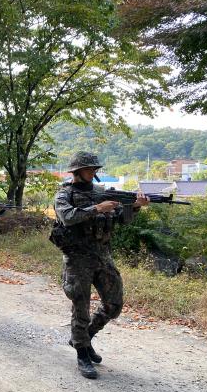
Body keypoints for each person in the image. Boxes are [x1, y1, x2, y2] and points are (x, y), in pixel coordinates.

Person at [52, 152, 148, 379]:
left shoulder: (101, 193)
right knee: (81, 307)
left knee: (114, 304)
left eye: (95, 169)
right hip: (77, 259)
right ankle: (82, 353)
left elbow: (121, 220)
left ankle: (85, 337)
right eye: (89, 169)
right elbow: (67, 217)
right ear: (77, 171)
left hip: (102, 257)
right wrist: (97, 208)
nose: (93, 172)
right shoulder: (64, 194)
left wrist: (134, 207)